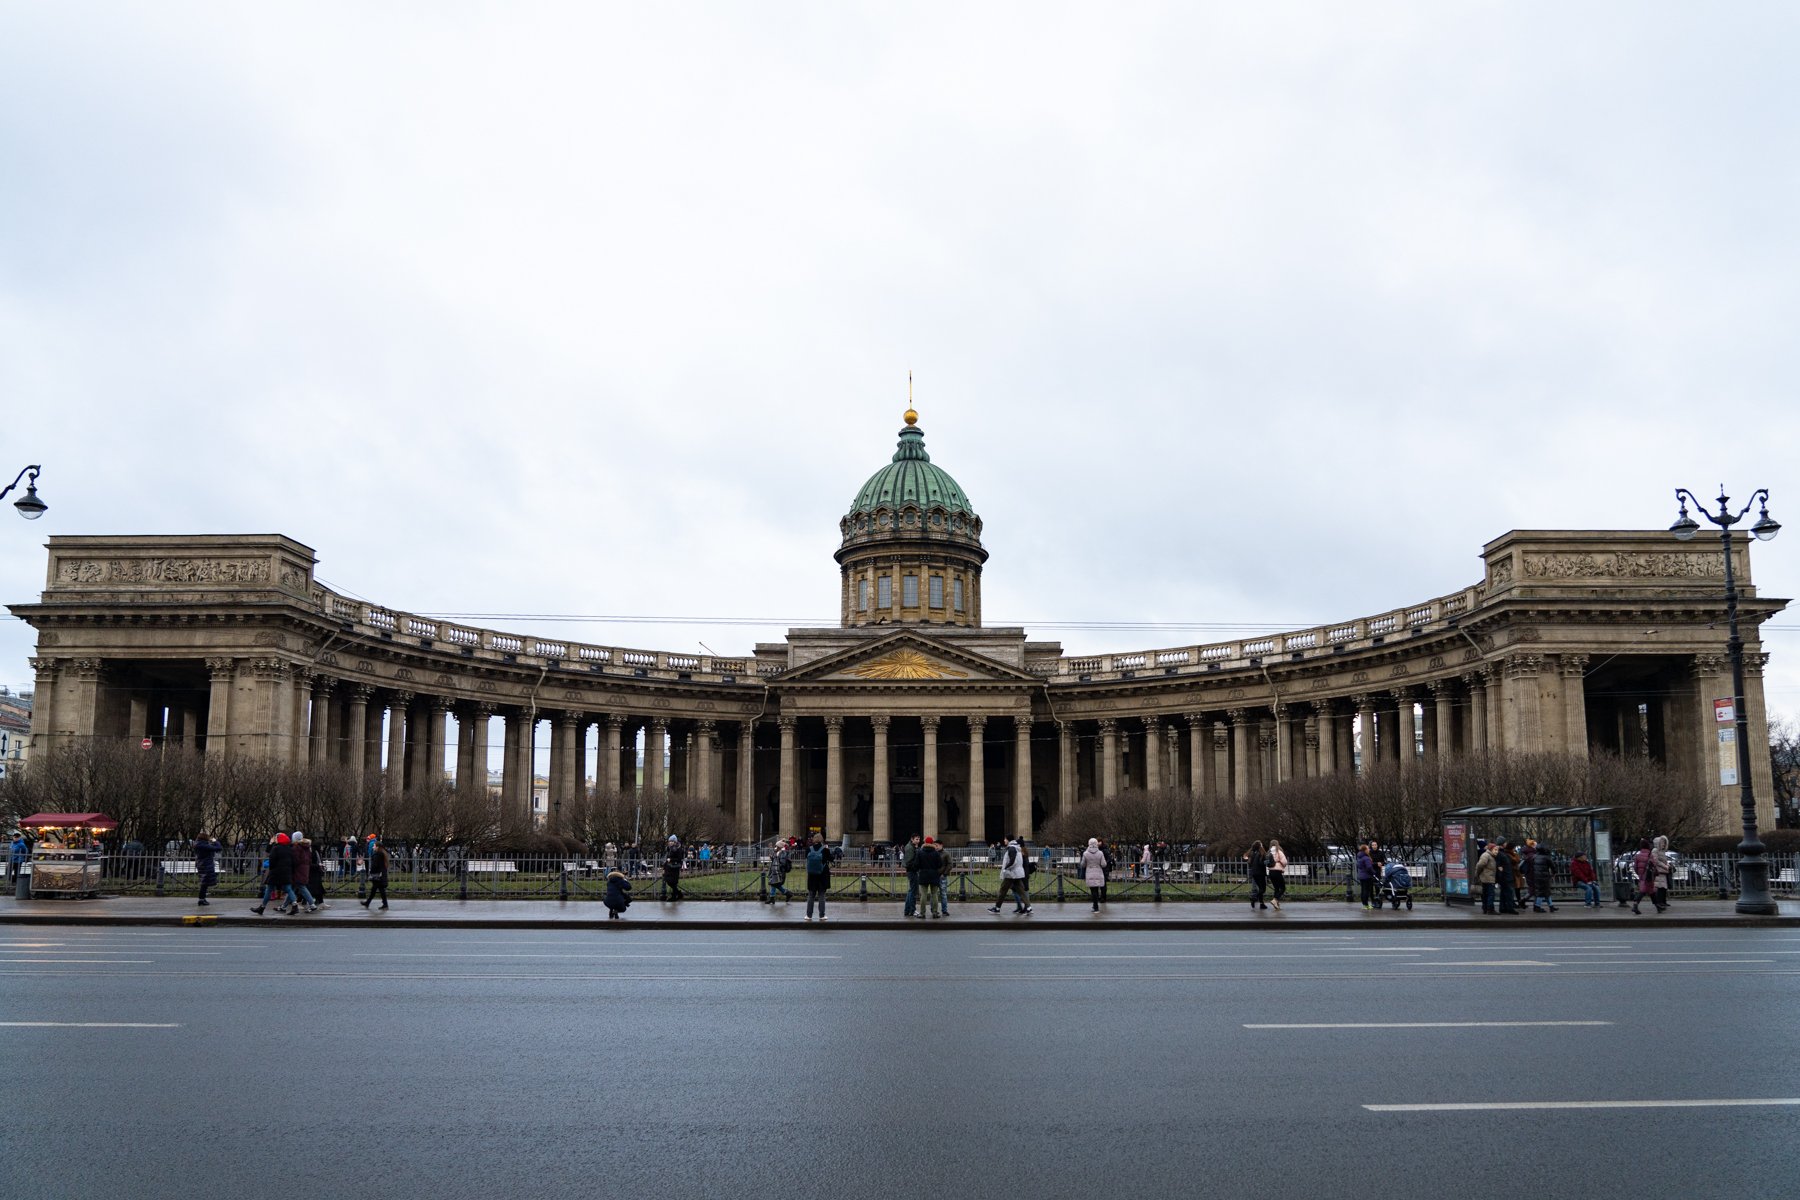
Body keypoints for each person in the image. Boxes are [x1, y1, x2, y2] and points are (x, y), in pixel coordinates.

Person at [252, 834, 295, 916]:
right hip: (287, 871)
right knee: (289, 888)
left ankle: (262, 907)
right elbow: (293, 861)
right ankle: (294, 904)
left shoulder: (276, 848)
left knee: (269, 889)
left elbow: (272, 861)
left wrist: (271, 869)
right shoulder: (289, 849)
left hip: (276, 871)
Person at [990, 836, 1032, 915]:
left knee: (1003, 890)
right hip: (1017, 874)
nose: (1004, 840)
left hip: (1011, 874)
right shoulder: (1017, 848)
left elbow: (1013, 861)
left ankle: (997, 907)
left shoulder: (1012, 849)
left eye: (1005, 839)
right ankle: (1029, 908)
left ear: (1008, 840)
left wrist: (1006, 868)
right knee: (1022, 891)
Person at [804, 834, 833, 921]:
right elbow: (832, 859)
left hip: (812, 875)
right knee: (821, 895)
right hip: (822, 875)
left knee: (811, 895)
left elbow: (807, 858)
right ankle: (822, 915)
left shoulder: (809, 849)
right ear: (822, 840)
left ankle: (809, 915)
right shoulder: (825, 850)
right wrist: (827, 849)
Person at [915, 837, 945, 919]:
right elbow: (940, 864)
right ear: (932, 843)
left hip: (923, 874)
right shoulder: (936, 853)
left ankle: (922, 913)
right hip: (934, 874)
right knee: (934, 894)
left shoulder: (920, 852)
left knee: (923, 895)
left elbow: (916, 864)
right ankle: (935, 912)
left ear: (925, 843)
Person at [289, 833, 318, 913]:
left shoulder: (296, 847)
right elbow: (309, 859)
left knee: (301, 887)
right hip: (304, 869)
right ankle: (284, 906)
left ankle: (312, 904)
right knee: (292, 888)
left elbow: (295, 860)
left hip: (298, 870)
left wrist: (292, 867)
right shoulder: (307, 847)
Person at [191, 833, 222, 907]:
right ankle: (201, 899)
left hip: (202, 864)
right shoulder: (203, 845)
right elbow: (219, 848)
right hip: (205, 865)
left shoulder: (198, 844)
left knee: (204, 882)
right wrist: (215, 841)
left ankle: (202, 898)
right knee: (204, 883)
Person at [360, 839, 390, 909]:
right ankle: (369, 903)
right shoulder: (383, 854)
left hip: (378, 875)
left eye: (374, 846)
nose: (373, 847)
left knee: (378, 889)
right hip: (381, 875)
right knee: (376, 889)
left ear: (377, 847)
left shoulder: (377, 855)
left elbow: (375, 865)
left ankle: (383, 904)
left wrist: (371, 872)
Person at [1080, 838, 1108, 912]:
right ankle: (1096, 904)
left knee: (1093, 890)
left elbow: (1083, 864)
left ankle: (1095, 906)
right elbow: (1104, 864)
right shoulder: (1100, 853)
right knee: (1098, 889)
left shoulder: (1085, 854)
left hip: (1090, 872)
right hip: (1098, 872)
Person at [1529, 843, 1557, 913]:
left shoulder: (1534, 857)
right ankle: (1538, 906)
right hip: (1545, 877)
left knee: (1542, 892)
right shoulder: (1547, 857)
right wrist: (1554, 873)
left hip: (1537, 877)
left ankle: (1551, 906)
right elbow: (1553, 867)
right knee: (1544, 892)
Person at [1648, 836, 1673, 913]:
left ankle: (1662, 902)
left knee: (1663, 887)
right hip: (1659, 871)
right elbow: (1655, 860)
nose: (1664, 844)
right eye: (1662, 842)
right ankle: (1659, 903)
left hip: (1663, 871)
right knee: (1661, 887)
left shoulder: (1662, 852)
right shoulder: (1655, 851)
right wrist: (1664, 866)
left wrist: (1667, 865)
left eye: (1665, 842)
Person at [1474, 839, 1499, 914]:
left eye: (1497, 850)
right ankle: (1490, 909)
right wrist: (1477, 874)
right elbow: (1480, 865)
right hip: (1487, 878)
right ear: (1491, 849)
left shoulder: (1489, 856)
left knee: (1485, 894)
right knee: (1491, 894)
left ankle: (1485, 908)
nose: (1497, 851)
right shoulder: (1486, 856)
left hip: (1487, 877)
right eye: (1495, 850)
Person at [900, 834, 922, 917]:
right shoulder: (909, 847)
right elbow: (909, 861)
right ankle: (912, 910)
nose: (918, 841)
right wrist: (915, 869)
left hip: (912, 870)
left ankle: (907, 910)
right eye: (916, 839)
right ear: (912, 839)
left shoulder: (912, 847)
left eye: (919, 839)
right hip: (912, 871)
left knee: (911, 891)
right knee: (913, 891)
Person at [767, 839, 792, 903]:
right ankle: (787, 893)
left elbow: (781, 863)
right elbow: (777, 861)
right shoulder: (778, 853)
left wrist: (777, 866)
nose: (775, 848)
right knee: (775, 884)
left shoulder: (782, 853)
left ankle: (772, 897)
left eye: (777, 846)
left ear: (779, 847)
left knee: (774, 884)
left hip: (779, 872)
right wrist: (772, 858)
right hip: (776, 872)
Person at [1246, 841, 1269, 910]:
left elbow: (1250, 863)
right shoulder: (1261, 854)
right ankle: (1254, 898)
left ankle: (1262, 903)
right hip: (1260, 873)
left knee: (1260, 889)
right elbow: (1261, 863)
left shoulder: (1252, 855)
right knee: (1263, 889)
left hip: (1254, 873)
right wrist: (1266, 862)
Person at [662, 836, 685, 902]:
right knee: (669, 882)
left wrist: (671, 859)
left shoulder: (678, 849)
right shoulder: (668, 849)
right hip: (668, 867)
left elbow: (679, 858)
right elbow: (666, 859)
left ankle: (674, 896)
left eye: (672, 841)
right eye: (670, 841)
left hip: (674, 868)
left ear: (675, 842)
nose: (671, 842)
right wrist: (664, 868)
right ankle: (678, 894)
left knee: (673, 883)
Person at [1267, 840, 1288, 911]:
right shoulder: (1279, 852)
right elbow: (1284, 861)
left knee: (1276, 888)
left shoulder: (1269, 853)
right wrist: (1283, 865)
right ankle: (1275, 900)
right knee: (1282, 888)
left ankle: (1277, 905)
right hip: (1277, 871)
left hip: (1270, 871)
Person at [1355, 844, 1375, 910]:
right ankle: (1366, 904)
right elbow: (1369, 867)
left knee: (1363, 890)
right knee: (1366, 890)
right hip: (1367, 876)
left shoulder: (1359, 857)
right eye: (1368, 849)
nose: (1369, 850)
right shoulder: (1366, 858)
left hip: (1361, 875)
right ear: (1365, 850)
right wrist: (1373, 872)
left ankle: (1364, 904)